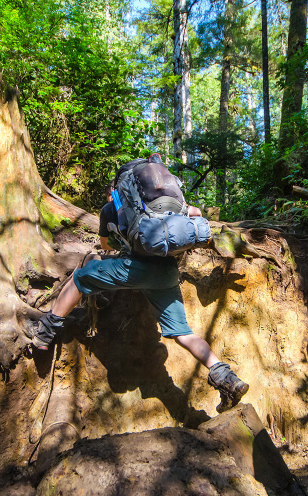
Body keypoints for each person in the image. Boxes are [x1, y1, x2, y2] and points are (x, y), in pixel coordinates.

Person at [26, 154, 250, 411]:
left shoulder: (111, 209)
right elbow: (196, 214)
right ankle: (227, 378)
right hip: (166, 272)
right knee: (183, 333)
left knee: (79, 278)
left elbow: (105, 245)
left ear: (118, 189)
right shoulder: (162, 202)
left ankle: (45, 330)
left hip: (135, 269)